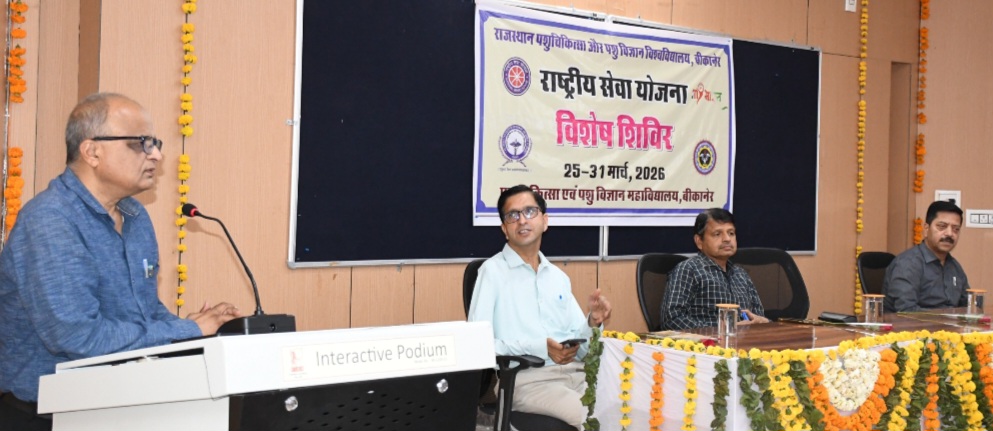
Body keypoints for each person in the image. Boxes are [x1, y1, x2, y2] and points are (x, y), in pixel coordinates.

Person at [0, 93, 240, 430]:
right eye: (142, 143)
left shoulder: (134, 216)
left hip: (116, 407)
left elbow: (145, 312)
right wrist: (186, 330)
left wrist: (191, 329)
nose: (157, 154)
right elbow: (79, 338)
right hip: (43, 416)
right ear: (92, 152)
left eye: (155, 143)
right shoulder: (51, 221)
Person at [468, 185, 611, 429]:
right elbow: (477, 345)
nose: (522, 220)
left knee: (633, 407)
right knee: (600, 421)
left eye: (529, 211)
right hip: (527, 382)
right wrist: (540, 347)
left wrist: (592, 323)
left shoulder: (557, 277)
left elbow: (585, 352)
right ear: (504, 229)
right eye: (513, 215)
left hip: (576, 376)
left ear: (545, 221)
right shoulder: (491, 272)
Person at [660, 208, 770, 330]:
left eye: (731, 233)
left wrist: (763, 322)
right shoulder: (688, 270)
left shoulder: (741, 274)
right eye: (717, 234)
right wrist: (721, 330)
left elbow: (758, 316)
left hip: (747, 340)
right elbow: (672, 319)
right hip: (707, 341)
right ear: (699, 241)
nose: (727, 239)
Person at [883, 201, 969, 312]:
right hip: (912, 323)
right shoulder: (908, 264)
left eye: (955, 229)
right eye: (942, 226)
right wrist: (946, 317)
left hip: (949, 322)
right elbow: (906, 311)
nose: (949, 233)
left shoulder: (954, 266)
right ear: (926, 229)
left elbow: (968, 306)